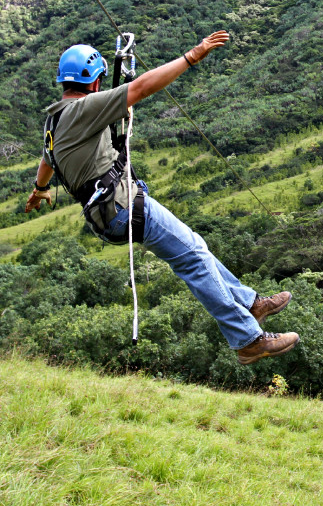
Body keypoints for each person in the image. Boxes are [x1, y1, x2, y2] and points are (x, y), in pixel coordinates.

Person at [25, 31, 299, 364]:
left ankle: (251, 303)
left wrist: (39, 190)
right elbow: (141, 87)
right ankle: (247, 339)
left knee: (196, 248)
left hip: (108, 213)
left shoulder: (54, 119)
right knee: (194, 261)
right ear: (95, 83)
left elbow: (46, 158)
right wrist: (193, 55)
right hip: (123, 207)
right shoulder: (86, 108)